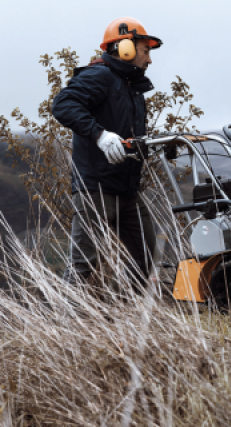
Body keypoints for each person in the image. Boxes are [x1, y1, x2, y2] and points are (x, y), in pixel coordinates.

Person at [52, 17, 162, 292]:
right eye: (145, 50)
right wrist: (100, 135)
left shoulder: (131, 87)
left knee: (145, 257)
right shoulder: (99, 76)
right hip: (96, 189)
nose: (149, 60)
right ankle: (64, 327)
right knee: (83, 265)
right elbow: (63, 105)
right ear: (125, 47)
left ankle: (115, 316)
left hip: (127, 189)